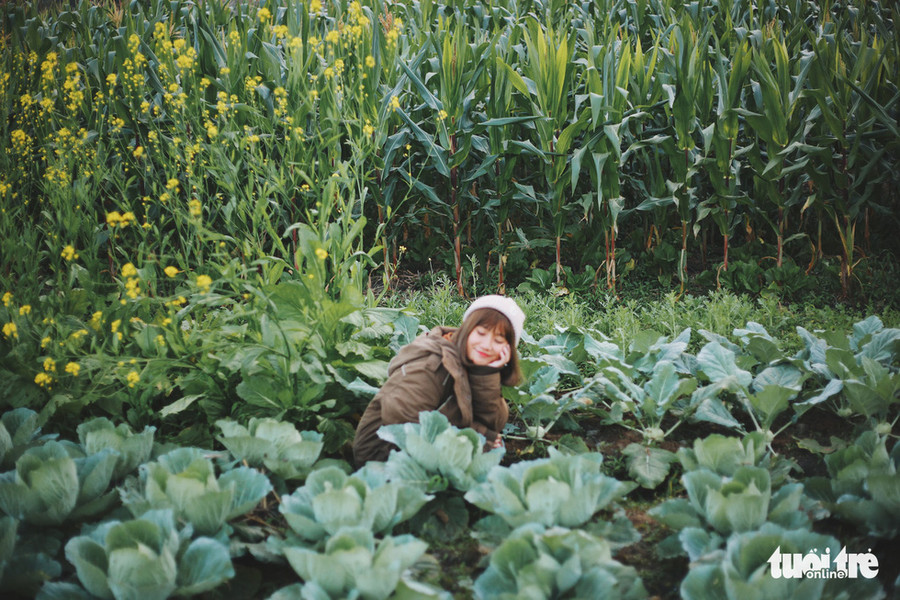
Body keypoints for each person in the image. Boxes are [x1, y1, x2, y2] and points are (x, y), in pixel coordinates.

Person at [352, 295, 525, 466]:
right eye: (481, 333)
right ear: (466, 329)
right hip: (384, 455)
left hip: (425, 452)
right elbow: (403, 421)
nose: (487, 345)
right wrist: (478, 436)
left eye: (498, 340)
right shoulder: (431, 365)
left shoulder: (477, 363)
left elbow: (495, 422)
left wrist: (486, 375)